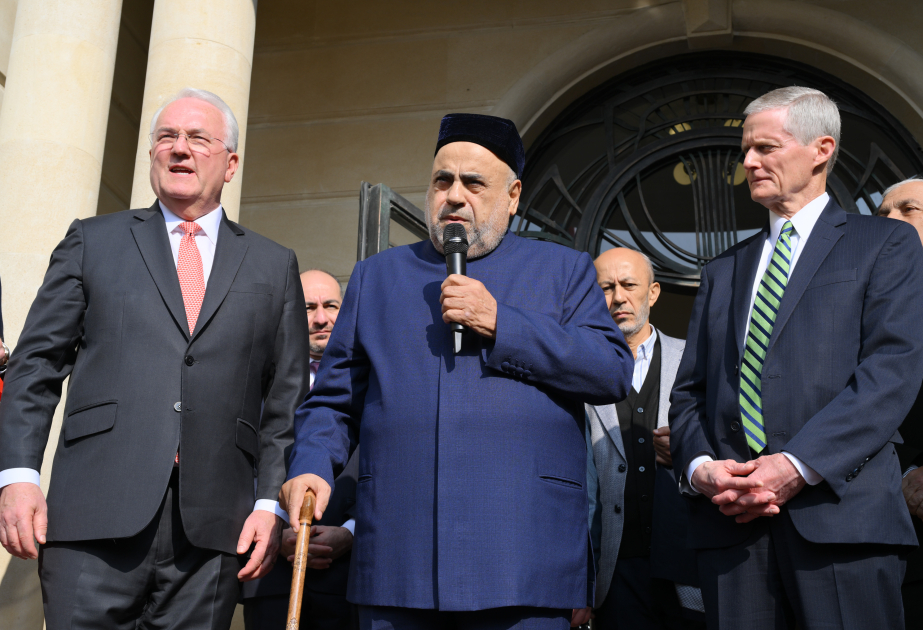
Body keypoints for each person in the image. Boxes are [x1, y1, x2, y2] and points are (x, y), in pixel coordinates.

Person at [280, 112, 633, 630]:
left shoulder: (563, 271)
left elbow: (611, 371)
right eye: (442, 180)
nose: (454, 195)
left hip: (524, 557)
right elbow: (333, 401)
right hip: (398, 561)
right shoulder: (377, 278)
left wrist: (501, 323)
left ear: (512, 196)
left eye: (473, 183)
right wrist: (310, 463)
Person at [0, 88, 310, 629]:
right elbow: (36, 365)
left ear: (231, 162)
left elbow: (284, 400)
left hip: (214, 532)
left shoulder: (272, 265)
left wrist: (269, 504)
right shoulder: (93, 241)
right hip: (93, 519)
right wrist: (19, 475)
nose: (180, 149)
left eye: (197, 138)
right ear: (151, 155)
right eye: (167, 136)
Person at [669, 86, 923, 629]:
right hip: (732, 534)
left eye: (765, 147)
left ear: (821, 149)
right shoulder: (722, 271)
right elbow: (690, 393)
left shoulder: (884, 245)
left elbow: (890, 374)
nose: (748, 162)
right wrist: (701, 469)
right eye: (745, 150)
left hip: (840, 524)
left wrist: (796, 466)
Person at [583, 248, 703, 630]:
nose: (618, 297)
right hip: (615, 574)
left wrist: (690, 449)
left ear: (652, 293)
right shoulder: (577, 370)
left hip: (687, 563)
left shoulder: (695, 360)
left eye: (629, 285)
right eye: (606, 287)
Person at [243, 269, 359, 630]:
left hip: (352, 581)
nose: (321, 318)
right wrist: (277, 529)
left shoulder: (369, 382)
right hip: (270, 578)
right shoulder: (252, 383)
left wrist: (354, 531)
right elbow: (235, 466)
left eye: (331, 306)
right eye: (308, 308)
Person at [878, 175, 923, 629]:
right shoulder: (862, 305)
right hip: (892, 538)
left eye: (907, 211)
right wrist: (906, 473)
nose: (890, 222)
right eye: (883, 214)